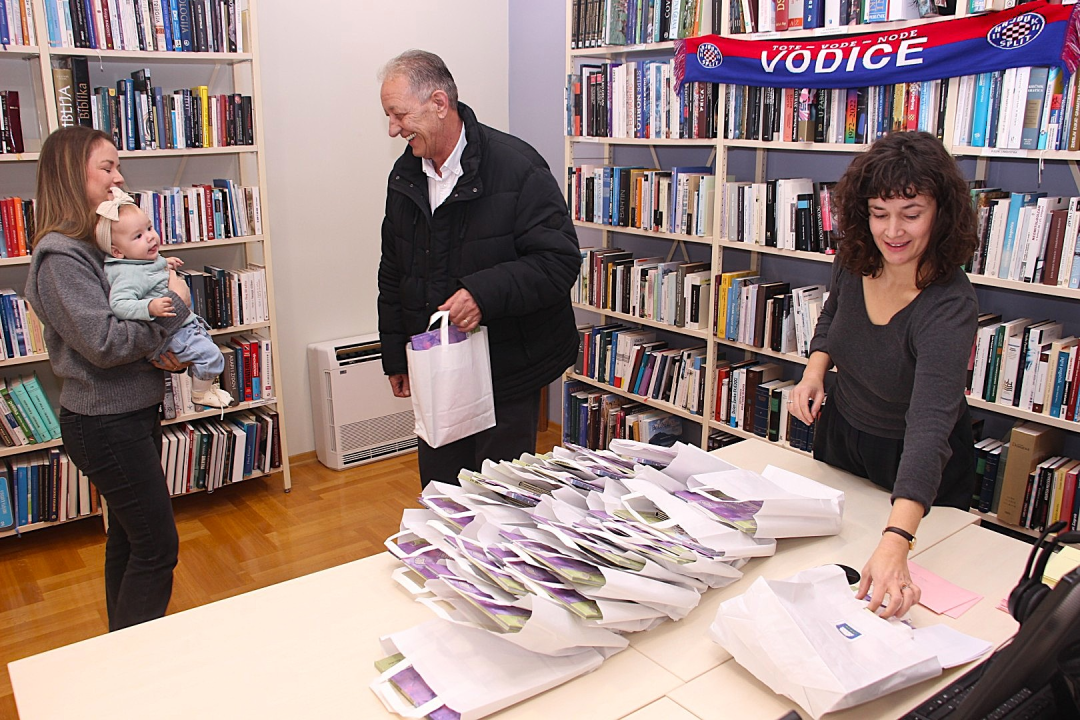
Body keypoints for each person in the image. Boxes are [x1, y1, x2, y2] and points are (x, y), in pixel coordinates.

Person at [789, 131, 979, 619]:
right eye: (879, 213)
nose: (893, 231)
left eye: (911, 214)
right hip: (843, 434)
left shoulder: (949, 305)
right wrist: (815, 369)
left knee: (914, 593)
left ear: (941, 213)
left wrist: (897, 540)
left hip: (915, 458)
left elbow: (929, 428)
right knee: (823, 567)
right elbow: (834, 314)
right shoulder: (856, 257)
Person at [377, 49, 581, 487]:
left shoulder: (517, 166)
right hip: (438, 369)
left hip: (508, 366)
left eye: (399, 115)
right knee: (442, 493)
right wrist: (396, 355)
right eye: (389, 117)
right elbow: (393, 271)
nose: (393, 129)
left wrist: (481, 294)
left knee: (499, 496)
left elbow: (558, 261)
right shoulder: (405, 175)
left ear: (438, 103)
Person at [25, 126, 193, 631]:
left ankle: (120, 648)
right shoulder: (61, 257)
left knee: (129, 538)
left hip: (129, 413)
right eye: (108, 167)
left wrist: (163, 347)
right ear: (71, 175)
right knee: (157, 547)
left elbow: (132, 323)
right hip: (105, 423)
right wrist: (175, 310)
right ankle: (134, 661)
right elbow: (104, 344)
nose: (120, 177)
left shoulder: (100, 244)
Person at [94, 187, 232, 408]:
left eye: (149, 228)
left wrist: (165, 263)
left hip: (180, 326)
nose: (150, 236)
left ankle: (205, 387)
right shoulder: (127, 275)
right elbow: (119, 304)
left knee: (206, 352)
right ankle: (200, 394)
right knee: (211, 355)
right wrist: (149, 306)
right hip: (171, 334)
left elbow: (148, 272)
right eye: (138, 236)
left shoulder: (138, 260)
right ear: (117, 252)